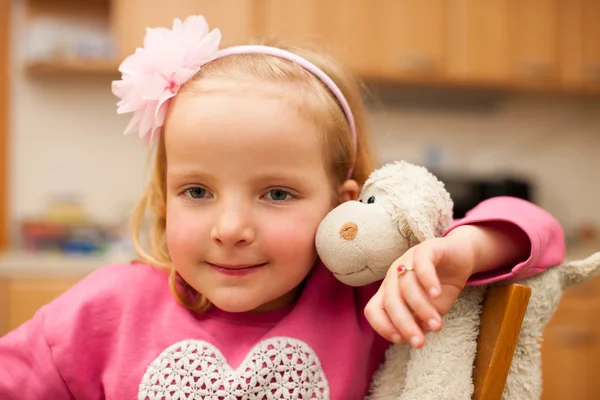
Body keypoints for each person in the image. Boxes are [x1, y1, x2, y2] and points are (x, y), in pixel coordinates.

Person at [0, 15, 565, 400]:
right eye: (197, 192)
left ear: (343, 209)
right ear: (165, 200)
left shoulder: (369, 304)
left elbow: (540, 233)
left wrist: (462, 249)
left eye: (276, 194)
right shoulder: (105, 310)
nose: (231, 229)